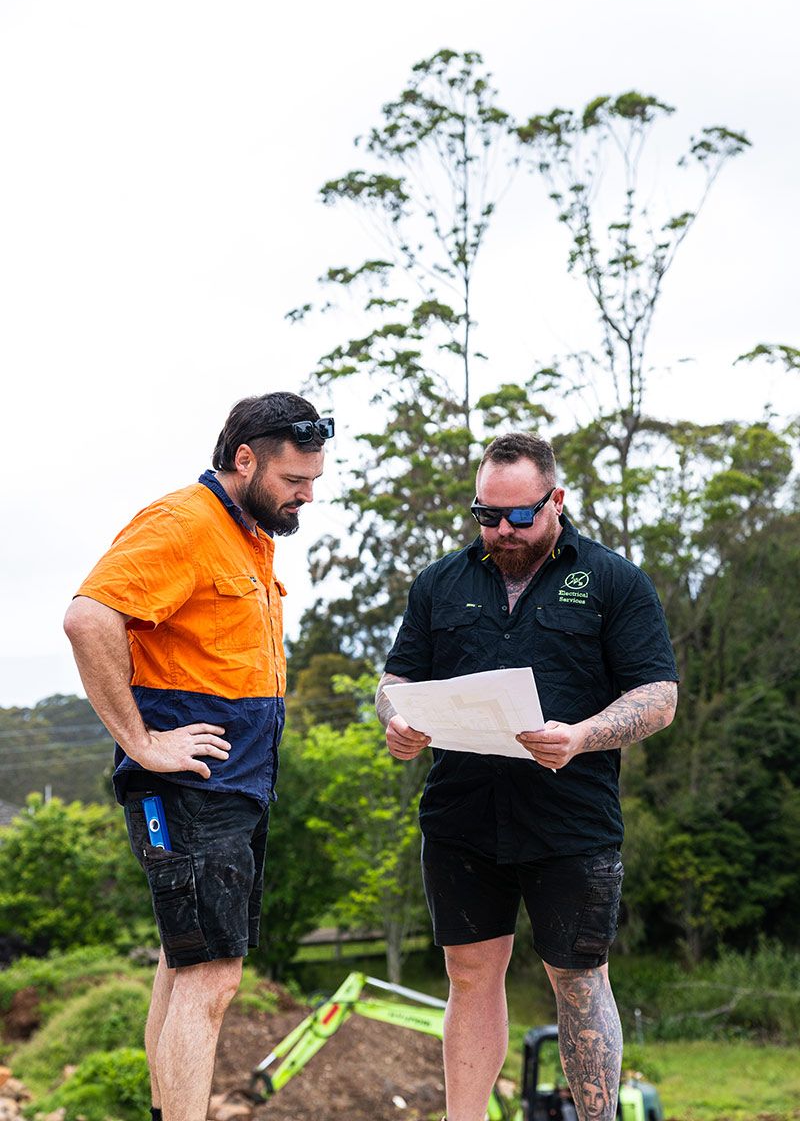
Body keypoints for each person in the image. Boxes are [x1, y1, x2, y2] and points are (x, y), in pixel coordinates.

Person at [376, 432, 678, 1121]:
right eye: (489, 516)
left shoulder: (613, 581)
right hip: (461, 817)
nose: (505, 531)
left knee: (578, 981)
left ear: (557, 500)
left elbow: (658, 696)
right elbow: (396, 679)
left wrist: (582, 736)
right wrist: (396, 719)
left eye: (520, 515)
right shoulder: (439, 583)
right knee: (470, 977)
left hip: (570, 818)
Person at [64, 392, 332, 1121]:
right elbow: (89, 618)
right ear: (244, 460)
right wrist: (142, 743)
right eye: (294, 480)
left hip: (232, 789)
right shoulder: (185, 523)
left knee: (184, 969)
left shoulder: (248, 534)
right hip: (191, 789)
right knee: (211, 981)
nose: (308, 493)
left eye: (314, 479)